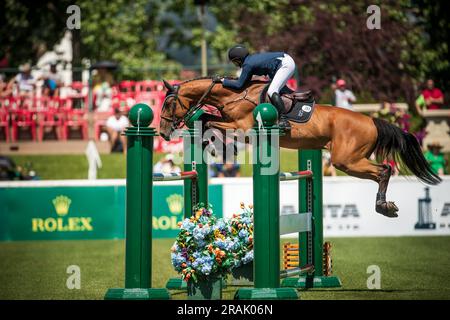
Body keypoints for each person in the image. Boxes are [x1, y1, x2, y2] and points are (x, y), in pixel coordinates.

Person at [218, 45, 297, 129]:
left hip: (285, 64)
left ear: (238, 59)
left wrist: (223, 81)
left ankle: (284, 120)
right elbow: (244, 82)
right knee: (276, 88)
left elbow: (239, 85)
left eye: (235, 62)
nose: (236, 65)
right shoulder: (250, 60)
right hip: (283, 62)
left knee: (272, 91)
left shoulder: (247, 64)